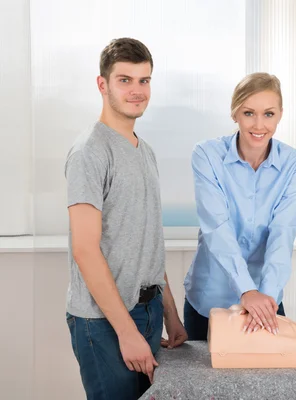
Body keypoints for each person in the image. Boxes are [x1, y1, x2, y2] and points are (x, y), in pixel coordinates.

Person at [64, 38, 187, 400]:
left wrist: (170, 314)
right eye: (125, 80)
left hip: (146, 311)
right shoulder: (90, 151)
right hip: (104, 322)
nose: (137, 91)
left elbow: (148, 239)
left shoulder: (144, 151)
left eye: (144, 80)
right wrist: (127, 333)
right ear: (102, 85)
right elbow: (85, 250)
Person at [183, 72, 296, 340]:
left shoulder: (294, 164)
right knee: (201, 381)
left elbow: (282, 233)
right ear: (235, 113)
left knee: (266, 382)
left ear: (280, 114)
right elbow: (217, 228)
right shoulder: (207, 155)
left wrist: (264, 298)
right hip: (210, 300)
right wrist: (245, 290)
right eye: (249, 113)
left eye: (269, 114)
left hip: (266, 299)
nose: (259, 124)